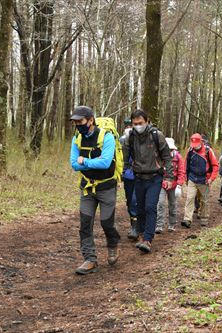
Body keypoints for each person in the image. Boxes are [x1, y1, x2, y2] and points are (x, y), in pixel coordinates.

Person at [69, 106, 120, 275]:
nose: (78, 125)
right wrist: (89, 162)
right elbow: (74, 164)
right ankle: (90, 259)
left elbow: (105, 163)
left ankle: (112, 246)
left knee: (107, 222)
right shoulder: (77, 137)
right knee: (85, 224)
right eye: (75, 122)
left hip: (106, 186)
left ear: (90, 120)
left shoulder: (106, 137)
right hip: (87, 188)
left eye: (80, 121)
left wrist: (85, 160)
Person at [123, 109, 174, 253]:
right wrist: (124, 173)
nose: (138, 126)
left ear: (147, 121)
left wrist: (169, 177)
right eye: (135, 123)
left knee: (150, 207)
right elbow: (126, 158)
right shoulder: (130, 137)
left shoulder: (156, 136)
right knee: (140, 208)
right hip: (138, 177)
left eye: (140, 123)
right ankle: (141, 234)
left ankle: (147, 239)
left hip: (154, 178)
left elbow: (167, 158)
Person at [182, 133, 219, 228]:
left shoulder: (208, 151)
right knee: (190, 198)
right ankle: (187, 219)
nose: (195, 147)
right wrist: (185, 177)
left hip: (204, 180)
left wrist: (211, 178)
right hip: (192, 178)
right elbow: (186, 164)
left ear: (201, 142)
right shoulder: (190, 151)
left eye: (197, 145)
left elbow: (215, 166)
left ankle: (204, 218)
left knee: (204, 200)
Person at [155, 138, 185, 233]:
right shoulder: (159, 157)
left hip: (174, 184)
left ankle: (172, 224)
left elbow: (181, 171)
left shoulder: (178, 157)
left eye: (171, 149)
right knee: (160, 203)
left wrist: (179, 185)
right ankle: (159, 225)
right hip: (162, 183)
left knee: (172, 204)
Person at [119, 118, 138, 239]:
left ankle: (138, 228)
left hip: (141, 174)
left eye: (130, 126)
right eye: (127, 126)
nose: (128, 128)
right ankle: (134, 226)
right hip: (127, 175)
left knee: (136, 200)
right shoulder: (121, 140)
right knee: (130, 201)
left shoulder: (142, 138)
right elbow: (121, 159)